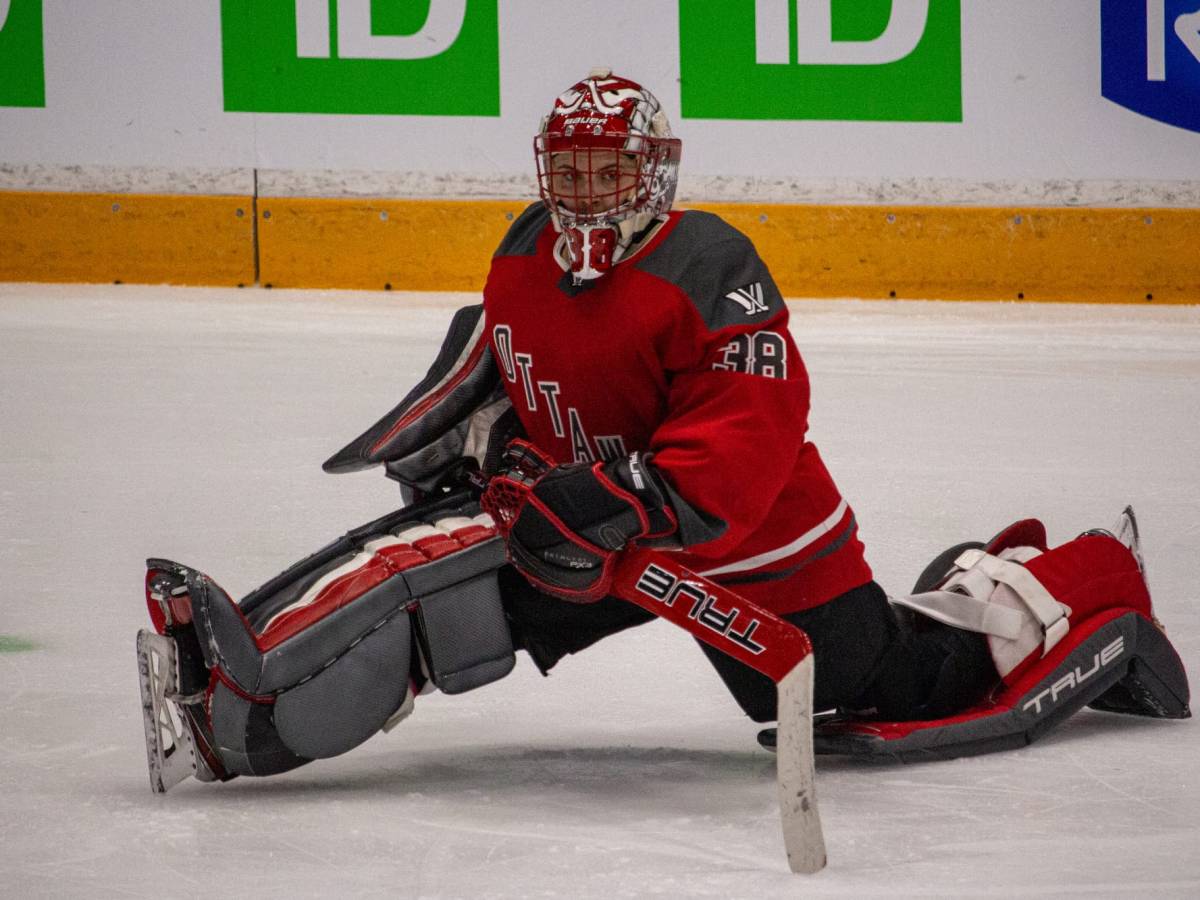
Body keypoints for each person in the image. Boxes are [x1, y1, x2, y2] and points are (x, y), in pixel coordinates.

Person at [136, 69, 1188, 790]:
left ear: (655, 171)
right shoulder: (521, 248)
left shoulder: (709, 264)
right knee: (450, 598)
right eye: (570, 169)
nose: (585, 192)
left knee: (886, 685)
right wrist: (488, 442)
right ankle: (244, 712)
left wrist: (643, 495)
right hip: (602, 537)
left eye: (609, 171)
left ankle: (1071, 583)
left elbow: (753, 425)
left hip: (761, 556)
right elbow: (511, 360)